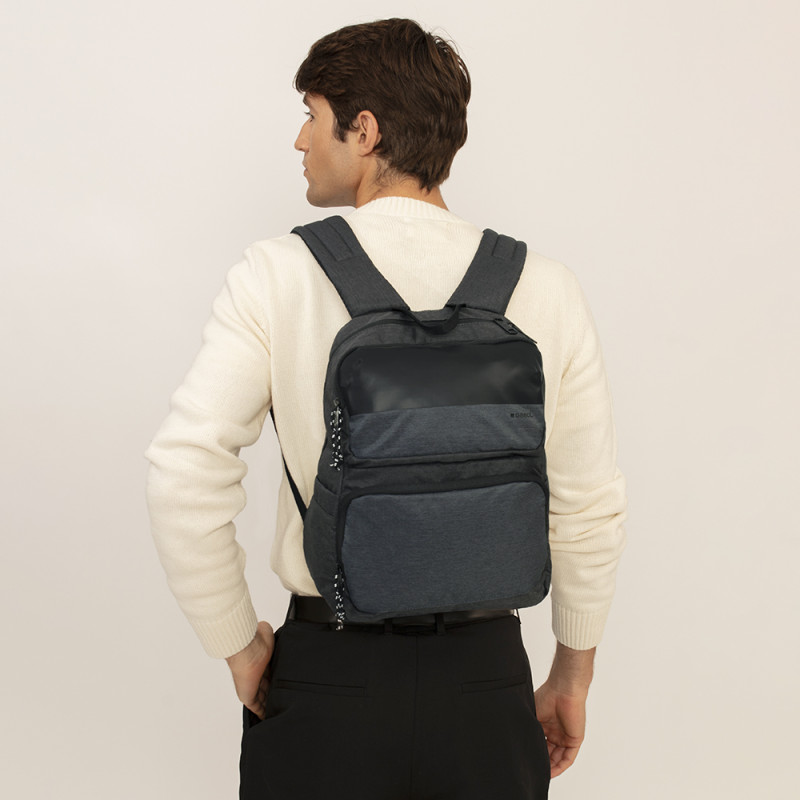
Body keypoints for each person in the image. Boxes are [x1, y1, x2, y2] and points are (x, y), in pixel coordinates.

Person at [146, 17, 627, 800]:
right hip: (486, 683)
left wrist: (238, 644)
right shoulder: (546, 286)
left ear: (364, 131)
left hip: (327, 674)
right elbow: (589, 508)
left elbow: (183, 471)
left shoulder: (277, 276)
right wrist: (571, 676)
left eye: (312, 115)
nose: (301, 140)